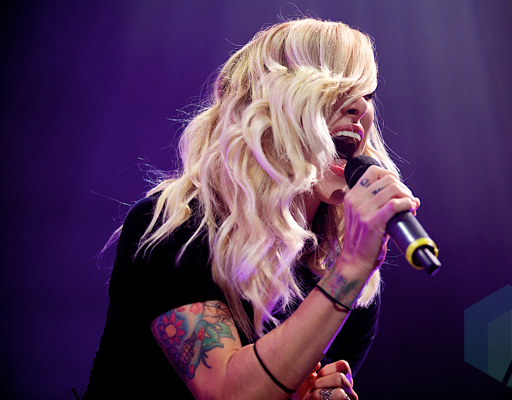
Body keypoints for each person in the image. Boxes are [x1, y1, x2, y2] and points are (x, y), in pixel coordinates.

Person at [83, 17, 420, 400]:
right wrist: (351, 270)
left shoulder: (343, 279)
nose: (360, 105)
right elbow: (228, 394)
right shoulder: (175, 229)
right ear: (271, 106)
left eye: (367, 94)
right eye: (336, 87)